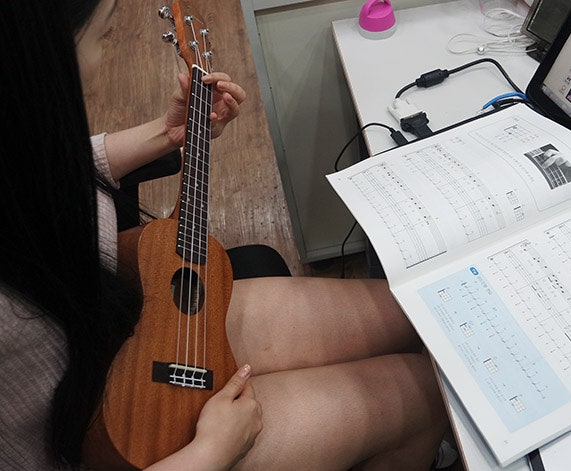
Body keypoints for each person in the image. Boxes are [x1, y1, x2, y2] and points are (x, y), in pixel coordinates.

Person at [0, 0, 448, 470]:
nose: (103, 55)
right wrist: (210, 452)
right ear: (40, 56)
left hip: (128, 323)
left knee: (418, 313)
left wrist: (166, 133)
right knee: (422, 393)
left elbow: (37, 171)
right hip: (124, 444)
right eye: (103, 37)